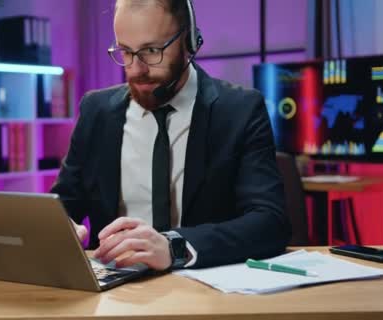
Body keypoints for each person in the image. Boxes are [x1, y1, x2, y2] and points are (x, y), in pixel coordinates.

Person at [51, 0, 291, 271]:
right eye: (125, 52)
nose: (136, 69)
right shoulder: (96, 110)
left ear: (189, 41)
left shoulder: (240, 110)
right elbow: (63, 205)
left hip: (204, 294)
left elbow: (270, 222)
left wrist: (173, 247)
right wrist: (61, 227)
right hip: (113, 294)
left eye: (152, 51)